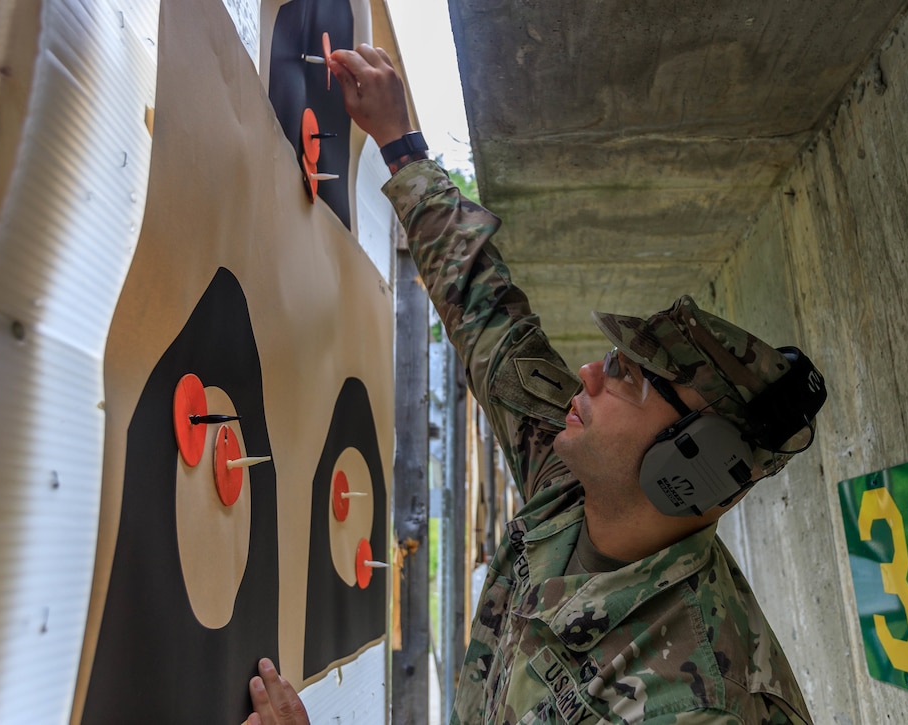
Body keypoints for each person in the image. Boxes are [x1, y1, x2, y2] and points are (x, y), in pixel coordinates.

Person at [245, 44, 827, 725]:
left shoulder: (693, 703)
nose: (589, 374)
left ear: (689, 462)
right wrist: (401, 146)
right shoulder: (572, 481)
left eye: (629, 380)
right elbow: (493, 320)